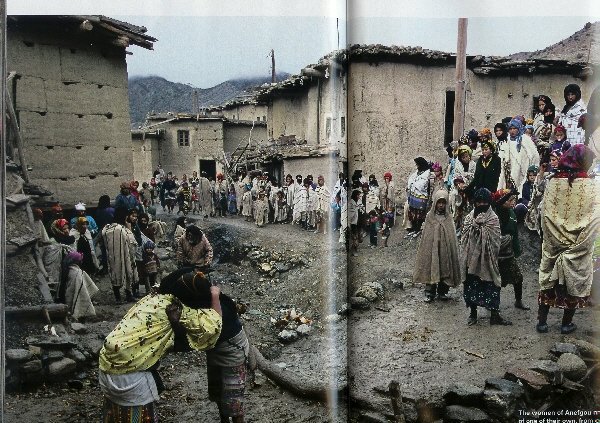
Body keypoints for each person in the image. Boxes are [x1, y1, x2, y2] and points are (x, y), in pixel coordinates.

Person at [99, 278, 222, 423]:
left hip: (106, 366)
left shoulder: (152, 298)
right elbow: (213, 325)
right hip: (131, 378)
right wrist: (215, 295)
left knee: (116, 415)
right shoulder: (176, 308)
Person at [158, 272, 248, 423]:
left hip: (233, 354)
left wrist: (176, 323)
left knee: (234, 401)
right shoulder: (207, 300)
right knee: (218, 393)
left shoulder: (215, 312)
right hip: (216, 353)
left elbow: (187, 341)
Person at [537, 144, 598, 334]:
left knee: (548, 279)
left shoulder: (553, 182)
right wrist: (582, 240)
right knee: (573, 282)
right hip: (578, 242)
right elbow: (595, 215)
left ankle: (542, 322)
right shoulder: (591, 186)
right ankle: (565, 324)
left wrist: (552, 236)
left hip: (554, 241)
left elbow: (544, 212)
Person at [461, 188, 512, 326]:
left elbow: (495, 240)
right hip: (472, 261)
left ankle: (494, 315)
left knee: (492, 285)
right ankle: (473, 314)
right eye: (479, 202)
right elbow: (465, 239)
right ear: (475, 203)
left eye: (485, 202)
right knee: (472, 286)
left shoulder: (493, 219)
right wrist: (475, 226)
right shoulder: (468, 218)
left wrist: (482, 228)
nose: (481, 204)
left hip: (488, 260)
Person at [414, 190, 461, 302]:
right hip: (432, 250)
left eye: (443, 202)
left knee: (445, 268)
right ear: (435, 203)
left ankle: (442, 292)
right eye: (439, 202)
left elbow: (452, 238)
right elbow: (426, 238)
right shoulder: (430, 218)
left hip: (445, 252)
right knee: (431, 267)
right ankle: (429, 292)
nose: (441, 205)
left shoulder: (449, 219)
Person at [492, 188, 529, 311]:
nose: (513, 202)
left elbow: (515, 234)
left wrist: (516, 250)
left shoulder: (512, 214)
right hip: (496, 254)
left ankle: (518, 301)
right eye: (510, 200)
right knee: (495, 281)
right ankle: (493, 305)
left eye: (514, 199)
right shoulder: (495, 215)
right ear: (502, 201)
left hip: (509, 253)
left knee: (518, 278)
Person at [101, 207, 138, 303]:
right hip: (125, 256)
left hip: (112, 257)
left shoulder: (107, 229)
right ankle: (128, 295)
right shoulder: (121, 229)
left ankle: (118, 297)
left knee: (115, 274)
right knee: (128, 274)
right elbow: (131, 242)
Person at [61, 251, 99, 321]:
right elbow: (81, 289)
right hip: (74, 297)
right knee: (79, 304)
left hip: (68, 298)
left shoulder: (68, 270)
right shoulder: (77, 272)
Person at [404, 157, 431, 238]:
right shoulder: (417, 172)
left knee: (419, 214)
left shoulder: (427, 173)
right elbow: (411, 179)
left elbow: (421, 185)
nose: (417, 166)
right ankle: (413, 228)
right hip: (413, 196)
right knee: (413, 213)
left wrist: (413, 184)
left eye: (417, 164)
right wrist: (412, 184)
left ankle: (418, 229)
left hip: (421, 197)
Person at [348, 189, 363, 256]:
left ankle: (354, 249)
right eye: (358, 195)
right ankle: (354, 250)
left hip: (359, 221)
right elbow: (350, 214)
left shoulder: (359, 201)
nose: (359, 197)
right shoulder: (351, 202)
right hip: (353, 222)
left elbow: (362, 208)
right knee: (354, 237)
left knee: (359, 237)